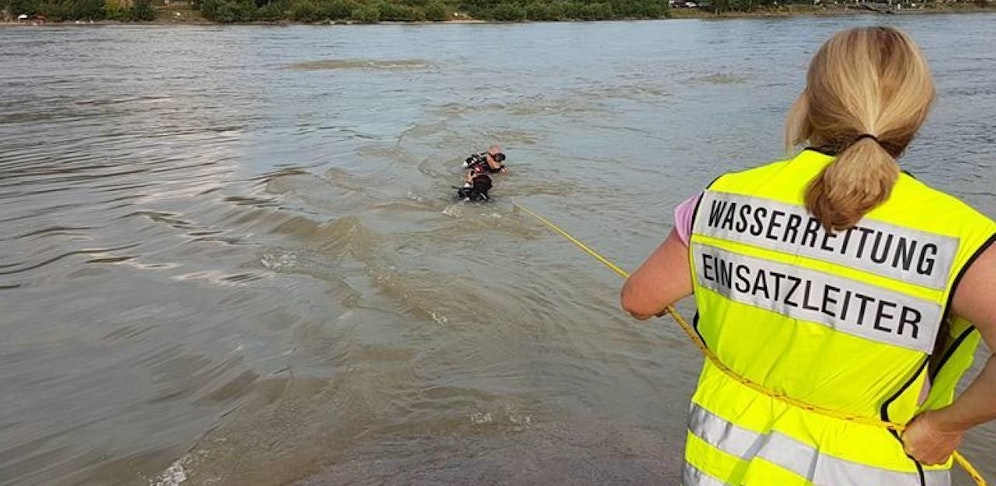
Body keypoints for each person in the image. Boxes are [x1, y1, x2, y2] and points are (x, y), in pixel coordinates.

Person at [620, 27, 995, 485]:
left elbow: (639, 299)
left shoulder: (723, 197)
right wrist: (946, 425)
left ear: (810, 103)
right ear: (917, 113)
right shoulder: (962, 235)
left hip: (723, 464)